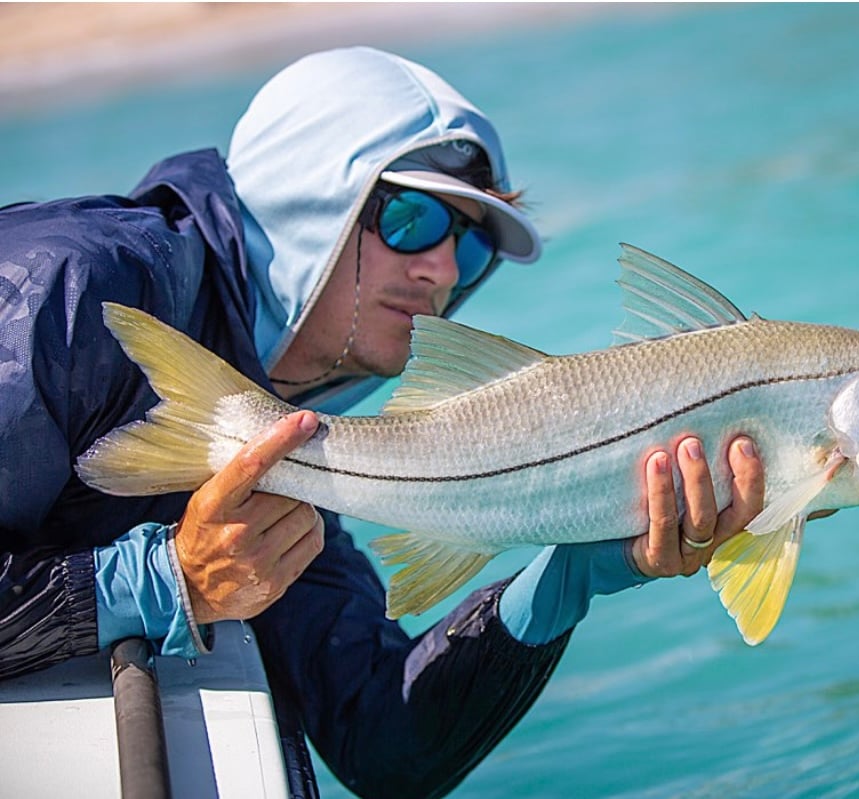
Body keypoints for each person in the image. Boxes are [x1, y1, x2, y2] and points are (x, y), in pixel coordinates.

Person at [0, 48, 766, 797]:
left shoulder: (289, 456)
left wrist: (574, 573)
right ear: (310, 204)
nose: (443, 268)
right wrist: (167, 581)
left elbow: (388, 746)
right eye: (411, 215)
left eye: (470, 242)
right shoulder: (63, 290)